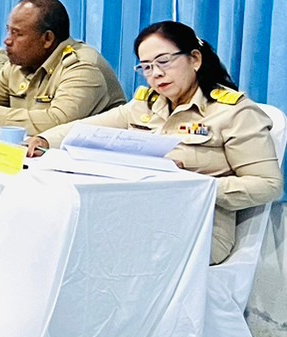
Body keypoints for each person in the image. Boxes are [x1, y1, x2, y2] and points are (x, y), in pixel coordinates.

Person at [29, 22, 282, 264]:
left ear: (195, 59)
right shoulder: (146, 104)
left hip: (199, 225)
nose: (157, 74)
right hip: (140, 213)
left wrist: (197, 186)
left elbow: (268, 185)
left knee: (102, 248)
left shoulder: (233, 113)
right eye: (147, 67)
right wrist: (45, 140)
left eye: (164, 62)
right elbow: (87, 129)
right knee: (63, 229)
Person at [0, 0, 125, 132]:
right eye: (8, 31)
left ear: (47, 39)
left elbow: (57, 123)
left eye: (18, 34)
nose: (7, 41)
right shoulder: (18, 64)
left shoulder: (82, 68)